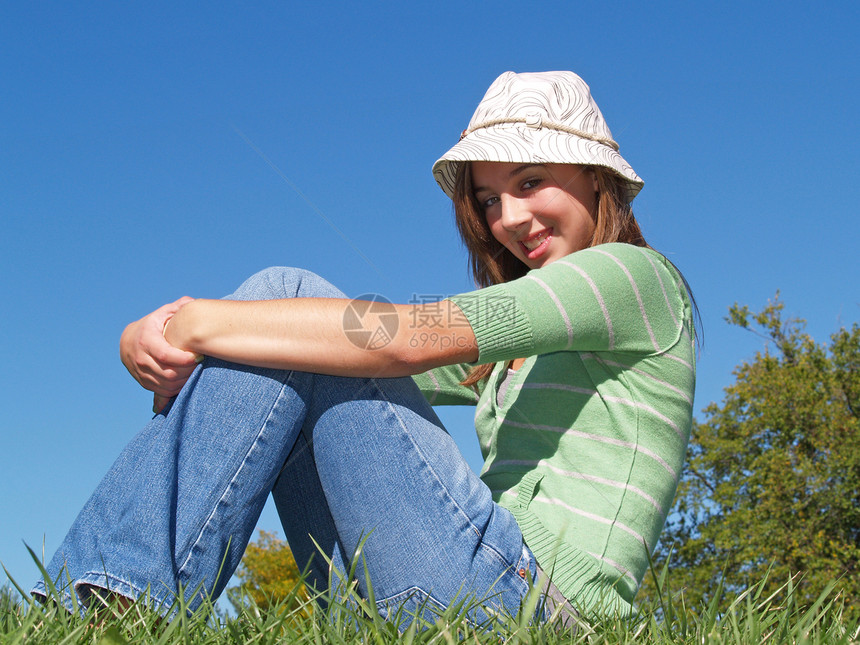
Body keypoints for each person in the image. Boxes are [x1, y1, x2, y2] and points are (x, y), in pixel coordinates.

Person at [33, 71, 696, 626]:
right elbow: (335, 347)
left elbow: (406, 339)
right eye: (490, 199)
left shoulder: (634, 276)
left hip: (538, 612)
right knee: (288, 335)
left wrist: (198, 321)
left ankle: (106, 603)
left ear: (595, 179)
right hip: (465, 591)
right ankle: (108, 606)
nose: (509, 219)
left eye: (529, 182)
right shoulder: (509, 359)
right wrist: (155, 332)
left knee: (282, 293)